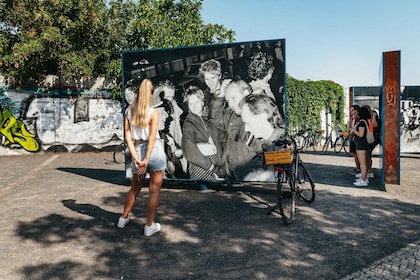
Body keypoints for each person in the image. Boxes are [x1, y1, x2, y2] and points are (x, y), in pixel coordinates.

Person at [117, 79, 167, 237]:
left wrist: (136, 157)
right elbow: (152, 138)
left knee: (134, 188)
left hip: (137, 150)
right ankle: (149, 226)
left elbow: (128, 136)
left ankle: (123, 219)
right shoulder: (154, 113)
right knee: (154, 192)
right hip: (155, 153)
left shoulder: (129, 111)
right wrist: (146, 159)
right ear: (151, 94)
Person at [210, 79, 264, 185]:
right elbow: (215, 119)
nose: (231, 104)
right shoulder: (232, 115)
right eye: (228, 100)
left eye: (233, 98)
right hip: (233, 178)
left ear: (246, 93)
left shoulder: (260, 117)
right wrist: (220, 96)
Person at [181, 86, 226, 184]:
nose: (194, 106)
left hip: (215, 165)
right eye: (191, 103)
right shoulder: (188, 124)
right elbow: (191, 152)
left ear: (202, 102)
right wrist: (212, 167)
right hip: (200, 167)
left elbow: (221, 140)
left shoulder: (207, 121)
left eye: (197, 102)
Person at [239, 94, 287, 181]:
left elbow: (282, 178)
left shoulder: (281, 143)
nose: (246, 129)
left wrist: (262, 177)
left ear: (263, 117)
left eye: (248, 123)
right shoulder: (268, 142)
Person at [351, 106, 371, 187]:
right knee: (364, 162)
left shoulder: (362, 122)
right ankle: (363, 177)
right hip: (362, 144)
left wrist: (354, 131)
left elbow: (361, 134)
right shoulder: (364, 121)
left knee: (363, 163)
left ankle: (363, 180)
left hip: (361, 144)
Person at [348, 105, 361, 175]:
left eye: (352, 110)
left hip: (356, 137)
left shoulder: (359, 119)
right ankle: (357, 167)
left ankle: (359, 168)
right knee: (354, 153)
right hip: (352, 136)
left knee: (357, 154)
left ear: (356, 110)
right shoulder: (354, 119)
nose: (351, 112)